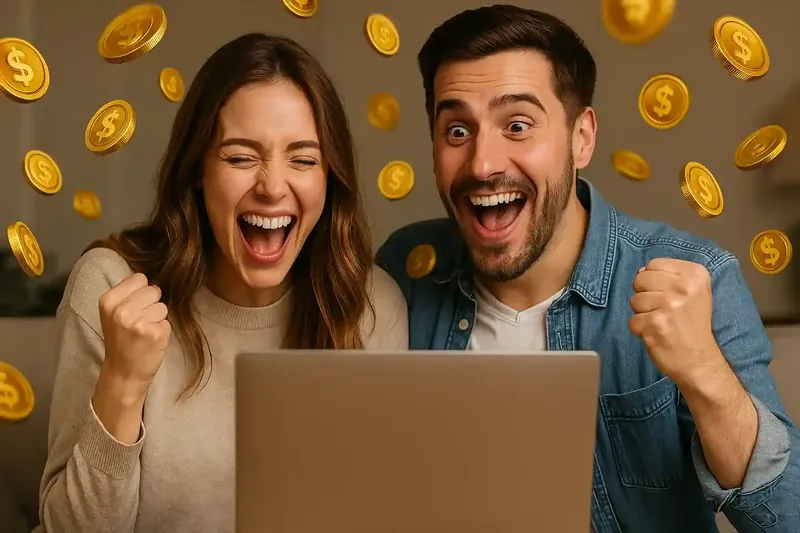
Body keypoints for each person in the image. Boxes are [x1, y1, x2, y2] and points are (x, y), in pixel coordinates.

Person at [376, 5, 799, 532]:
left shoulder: (696, 277)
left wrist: (706, 376)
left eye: (518, 125)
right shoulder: (404, 271)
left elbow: (786, 519)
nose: (483, 164)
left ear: (582, 138)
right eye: (457, 130)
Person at [36, 33, 408, 533]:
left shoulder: (371, 305)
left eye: (303, 159)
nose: (273, 187)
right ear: (196, 172)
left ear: (329, 179)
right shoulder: (111, 285)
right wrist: (122, 384)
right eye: (239, 157)